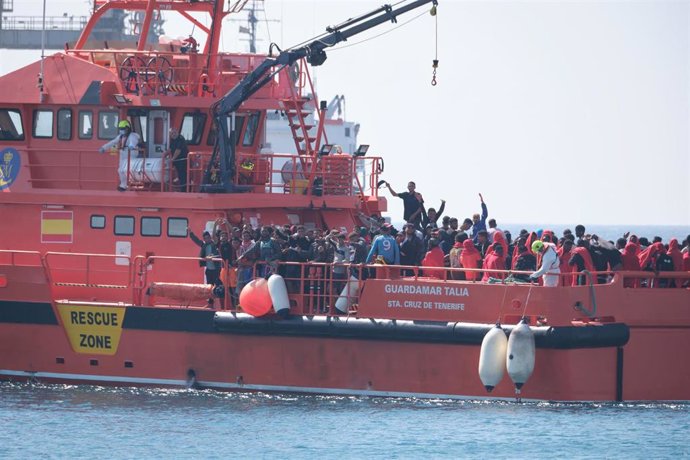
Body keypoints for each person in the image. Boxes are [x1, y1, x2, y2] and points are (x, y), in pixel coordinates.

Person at [99, 120, 141, 191]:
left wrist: (131, 146)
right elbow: (112, 142)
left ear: (128, 128)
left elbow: (133, 142)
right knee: (120, 170)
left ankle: (129, 184)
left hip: (131, 155)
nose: (122, 130)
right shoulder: (120, 137)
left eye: (123, 129)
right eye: (121, 129)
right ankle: (123, 185)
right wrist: (103, 148)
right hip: (123, 155)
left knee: (128, 170)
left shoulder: (132, 136)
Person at [189, 228, 221, 308]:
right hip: (209, 270)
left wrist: (211, 257)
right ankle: (211, 304)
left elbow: (219, 255)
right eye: (205, 238)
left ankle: (221, 303)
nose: (207, 239)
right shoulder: (204, 245)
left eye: (208, 238)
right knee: (209, 287)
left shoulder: (215, 244)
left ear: (210, 238)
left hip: (216, 269)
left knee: (217, 286)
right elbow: (196, 240)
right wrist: (190, 233)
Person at [169, 127, 189, 192]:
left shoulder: (180, 139)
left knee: (183, 175)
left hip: (182, 161)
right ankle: (181, 188)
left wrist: (172, 159)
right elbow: (170, 149)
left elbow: (178, 150)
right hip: (177, 161)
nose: (173, 134)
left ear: (177, 132)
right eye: (172, 133)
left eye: (174, 133)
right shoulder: (172, 140)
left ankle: (184, 190)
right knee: (180, 176)